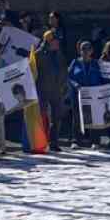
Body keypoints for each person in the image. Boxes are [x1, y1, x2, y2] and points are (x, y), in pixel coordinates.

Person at [30, 24, 68, 153]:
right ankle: (38, 143)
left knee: (57, 117)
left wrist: (63, 85)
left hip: (56, 90)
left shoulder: (59, 54)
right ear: (48, 41)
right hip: (42, 89)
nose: (57, 43)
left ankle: (54, 142)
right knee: (40, 116)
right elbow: (32, 71)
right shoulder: (38, 54)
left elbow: (63, 69)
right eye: (55, 40)